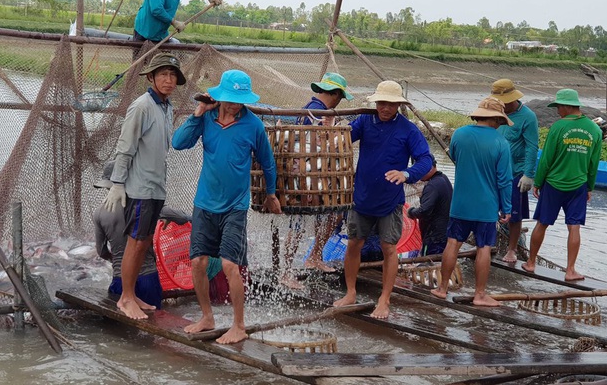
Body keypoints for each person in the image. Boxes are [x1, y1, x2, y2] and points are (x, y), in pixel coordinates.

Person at [172, 69, 281, 344]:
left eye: (238, 100)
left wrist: (271, 193)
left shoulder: (253, 125)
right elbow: (178, 143)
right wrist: (198, 112)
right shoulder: (206, 118)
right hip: (205, 203)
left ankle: (239, 325)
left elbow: (267, 162)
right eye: (229, 99)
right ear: (219, 97)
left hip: (235, 205)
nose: (233, 104)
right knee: (198, 261)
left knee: (231, 264)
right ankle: (207, 317)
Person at [333, 80, 433, 319]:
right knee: (354, 243)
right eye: (381, 103)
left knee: (389, 247)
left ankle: (384, 299)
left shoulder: (408, 130)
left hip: (390, 201)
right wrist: (334, 128)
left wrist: (406, 174)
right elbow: (343, 139)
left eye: (389, 104)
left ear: (398, 105)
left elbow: (426, 160)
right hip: (362, 197)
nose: (384, 108)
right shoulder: (366, 121)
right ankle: (350, 292)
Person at [103, 52, 186, 319]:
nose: (168, 80)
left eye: (172, 75)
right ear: (150, 77)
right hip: (138, 189)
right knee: (135, 243)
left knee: (144, 242)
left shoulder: (166, 106)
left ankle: (132, 295)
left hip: (155, 188)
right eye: (162, 74)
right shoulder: (142, 106)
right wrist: (117, 182)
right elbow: (125, 148)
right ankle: (126, 298)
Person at [431, 97, 512, 307]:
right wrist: (507, 207)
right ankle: (480, 294)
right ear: (496, 119)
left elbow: (456, 156)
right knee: (484, 247)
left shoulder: (459, 134)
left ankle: (442, 288)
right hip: (486, 206)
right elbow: (504, 179)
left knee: (453, 243)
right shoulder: (501, 143)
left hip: (460, 203)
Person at [281, 72, 353, 289]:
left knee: (333, 213)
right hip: (306, 175)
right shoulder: (317, 112)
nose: (340, 100)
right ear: (335, 94)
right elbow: (324, 143)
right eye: (340, 96)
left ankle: (314, 256)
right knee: (299, 223)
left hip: (314, 174)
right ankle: (286, 272)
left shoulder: (309, 109)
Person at [522, 89, 602, 281]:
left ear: (567, 106)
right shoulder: (594, 130)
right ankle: (570, 270)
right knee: (574, 226)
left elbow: (546, 159)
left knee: (542, 223)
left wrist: (538, 182)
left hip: (554, 184)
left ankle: (531, 263)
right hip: (578, 185)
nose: (557, 111)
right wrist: (589, 187)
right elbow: (593, 163)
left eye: (558, 107)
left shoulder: (558, 128)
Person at [93, 160, 192, 309]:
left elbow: (101, 252)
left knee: (123, 325)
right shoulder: (144, 205)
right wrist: (168, 219)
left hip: (120, 279)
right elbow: (184, 218)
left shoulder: (99, 213)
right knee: (152, 324)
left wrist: (118, 261)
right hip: (147, 278)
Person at [489, 79, 539, 263]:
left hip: (515, 172)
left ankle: (511, 249)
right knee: (489, 207)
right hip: (493, 169)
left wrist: (528, 174)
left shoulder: (528, 117)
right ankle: (487, 241)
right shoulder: (494, 112)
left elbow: (532, 147)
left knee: (514, 213)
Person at [407, 159, 453, 256]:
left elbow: (424, 211)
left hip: (434, 237)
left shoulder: (433, 186)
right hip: (445, 232)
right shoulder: (443, 178)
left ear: (430, 168)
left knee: (430, 262)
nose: (418, 174)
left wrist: (411, 212)